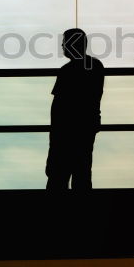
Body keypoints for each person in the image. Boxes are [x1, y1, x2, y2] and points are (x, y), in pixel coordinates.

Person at [45, 28, 104, 190]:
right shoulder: (95, 66)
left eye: (64, 42)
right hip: (84, 129)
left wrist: (54, 138)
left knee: (58, 177)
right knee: (82, 174)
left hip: (64, 132)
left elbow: (58, 108)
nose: (62, 46)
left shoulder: (67, 71)